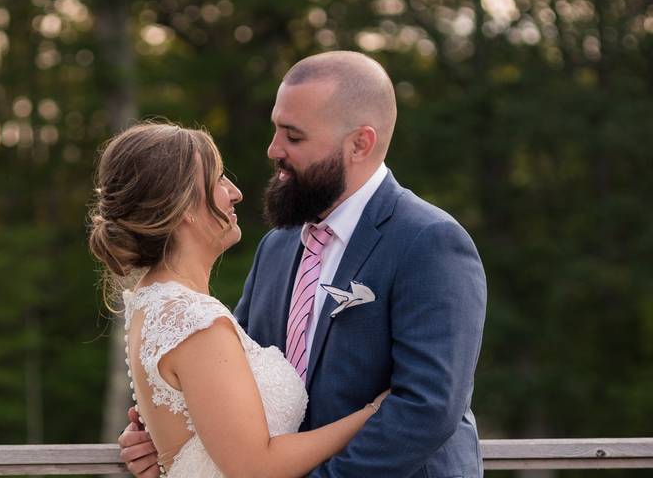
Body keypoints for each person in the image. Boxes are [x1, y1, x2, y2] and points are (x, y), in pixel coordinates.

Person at [119, 51, 487, 478]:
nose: (273, 149)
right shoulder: (277, 246)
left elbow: (427, 409)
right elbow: (230, 376)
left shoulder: (429, 242)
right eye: (276, 129)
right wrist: (165, 436)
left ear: (359, 144)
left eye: (293, 137)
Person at [89, 122, 390, 478]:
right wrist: (372, 413)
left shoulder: (152, 302)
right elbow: (255, 466)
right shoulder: (193, 320)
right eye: (218, 180)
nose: (234, 192)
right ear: (183, 205)